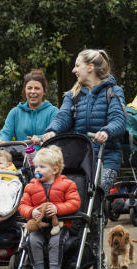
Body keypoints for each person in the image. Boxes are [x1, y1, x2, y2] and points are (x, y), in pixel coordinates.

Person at [41, 49, 126, 198]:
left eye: (77, 66)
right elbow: (63, 117)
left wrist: (106, 131)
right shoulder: (72, 95)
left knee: (96, 194)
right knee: (74, 195)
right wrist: (52, 131)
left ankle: (99, 217)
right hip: (81, 157)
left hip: (106, 157)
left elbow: (118, 120)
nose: (74, 70)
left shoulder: (113, 91)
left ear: (90, 67)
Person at [19, 145, 81, 269]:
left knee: (55, 242)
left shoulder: (67, 184)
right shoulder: (31, 186)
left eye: (42, 166)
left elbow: (74, 203)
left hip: (60, 226)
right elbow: (23, 205)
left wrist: (58, 209)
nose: (37, 170)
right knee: (32, 240)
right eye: (36, 167)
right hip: (39, 226)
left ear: (55, 169)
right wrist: (32, 211)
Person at [0, 69, 58, 145]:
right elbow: (6, 133)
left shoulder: (53, 112)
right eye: (29, 88)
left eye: (37, 88)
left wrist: (40, 138)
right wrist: (1, 140)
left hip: (47, 154)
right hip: (21, 154)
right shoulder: (15, 112)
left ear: (44, 91)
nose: (33, 91)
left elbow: (56, 133)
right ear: (25, 90)